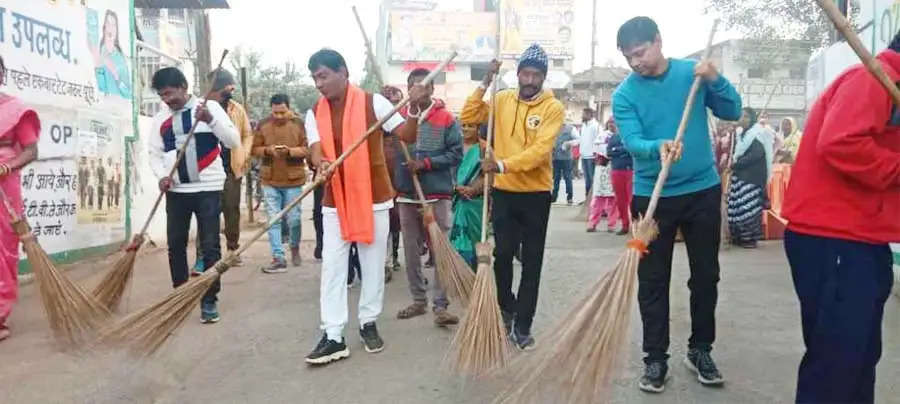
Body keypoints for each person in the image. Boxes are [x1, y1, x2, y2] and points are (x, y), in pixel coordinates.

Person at [612, 16, 741, 393]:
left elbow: (732, 111)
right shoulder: (624, 95)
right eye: (628, 57)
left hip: (701, 190)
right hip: (652, 197)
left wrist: (715, 78)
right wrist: (658, 147)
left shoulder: (692, 74)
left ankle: (700, 349)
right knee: (652, 281)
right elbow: (633, 141)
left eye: (640, 52)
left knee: (706, 275)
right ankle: (655, 359)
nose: (636, 62)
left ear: (658, 41)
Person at [781, 33, 900, 404]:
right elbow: (840, 141)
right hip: (834, 239)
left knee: (860, 357)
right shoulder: (874, 77)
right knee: (836, 364)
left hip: (862, 239)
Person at [303, 49, 412, 365]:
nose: (318, 84)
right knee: (333, 267)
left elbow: (405, 133)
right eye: (314, 78)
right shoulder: (314, 111)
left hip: (374, 197)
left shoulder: (373, 103)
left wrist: (415, 106)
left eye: (323, 76)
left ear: (343, 72)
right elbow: (314, 149)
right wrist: (321, 163)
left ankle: (368, 322)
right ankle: (333, 334)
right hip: (335, 199)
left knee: (372, 264)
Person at [460, 43, 564, 351]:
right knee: (502, 255)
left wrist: (501, 164)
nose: (530, 80)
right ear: (517, 74)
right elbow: (468, 115)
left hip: (535, 195)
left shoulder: (552, 108)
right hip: (504, 193)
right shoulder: (501, 98)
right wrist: (485, 82)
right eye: (526, 73)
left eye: (536, 75)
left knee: (531, 261)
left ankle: (523, 324)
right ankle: (507, 307)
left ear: (543, 77)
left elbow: (540, 151)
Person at [148, 67, 240, 324]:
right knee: (175, 244)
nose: (167, 99)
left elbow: (233, 141)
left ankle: (209, 300)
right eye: (162, 95)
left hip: (208, 188)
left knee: (210, 246)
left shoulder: (209, 107)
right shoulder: (160, 120)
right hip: (176, 190)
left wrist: (210, 119)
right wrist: (161, 176)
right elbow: (153, 153)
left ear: (183, 86)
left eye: (170, 93)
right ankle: (180, 296)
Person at [393, 68, 463, 326]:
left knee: (440, 248)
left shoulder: (446, 119)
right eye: (413, 85)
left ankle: (441, 305)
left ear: (432, 89)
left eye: (423, 86)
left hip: (436, 193)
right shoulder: (399, 117)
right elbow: (392, 148)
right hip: (407, 194)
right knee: (410, 249)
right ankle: (418, 300)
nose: (418, 90)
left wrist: (425, 164)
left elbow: (456, 154)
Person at [0, 55, 40, 342]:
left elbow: (30, 151)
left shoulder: (15, 109)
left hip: (5, 184)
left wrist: (6, 166)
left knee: (3, 246)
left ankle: (0, 313)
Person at [252, 94, 308, 272]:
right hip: (270, 179)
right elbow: (254, 149)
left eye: (282, 112)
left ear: (289, 109)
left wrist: (290, 151)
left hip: (293, 180)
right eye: (275, 113)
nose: (279, 116)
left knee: (294, 220)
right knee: (273, 220)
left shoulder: (299, 124)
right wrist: (268, 150)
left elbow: (308, 149)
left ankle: (294, 247)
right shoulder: (263, 124)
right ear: (271, 110)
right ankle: (278, 257)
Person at [205, 69, 253, 268]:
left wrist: (243, 154)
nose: (231, 90)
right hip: (207, 171)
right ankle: (205, 254)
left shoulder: (237, 109)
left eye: (232, 86)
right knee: (207, 213)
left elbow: (247, 134)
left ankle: (233, 250)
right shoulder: (202, 108)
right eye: (228, 87)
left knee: (231, 210)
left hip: (232, 169)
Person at [727, 107, 773, 249]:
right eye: (741, 116)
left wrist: (736, 164)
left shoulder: (758, 133)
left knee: (749, 208)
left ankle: (749, 238)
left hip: (751, 178)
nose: (742, 119)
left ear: (752, 118)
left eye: (746, 116)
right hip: (740, 176)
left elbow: (756, 155)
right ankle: (738, 236)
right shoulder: (741, 134)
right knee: (737, 208)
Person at [450, 123, 486, 269]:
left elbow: (488, 177)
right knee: (454, 239)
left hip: (475, 202)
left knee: (475, 241)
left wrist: (473, 190)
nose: (465, 129)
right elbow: (447, 170)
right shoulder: (454, 148)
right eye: (463, 125)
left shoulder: (484, 149)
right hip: (454, 200)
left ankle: (476, 277)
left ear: (478, 128)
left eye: (470, 126)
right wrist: (454, 187)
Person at [88, 9, 132, 99]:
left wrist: (115, 75)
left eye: (114, 25)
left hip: (120, 106)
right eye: (108, 23)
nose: (111, 28)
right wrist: (98, 65)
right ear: (104, 28)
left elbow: (128, 95)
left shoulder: (121, 59)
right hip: (104, 105)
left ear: (117, 30)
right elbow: (101, 89)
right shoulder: (99, 53)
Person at [587, 123, 619, 232]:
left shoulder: (621, 136)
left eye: (614, 122)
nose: (612, 125)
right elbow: (600, 150)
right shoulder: (601, 135)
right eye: (610, 123)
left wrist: (614, 152)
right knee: (597, 198)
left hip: (615, 168)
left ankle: (611, 224)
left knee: (613, 199)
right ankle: (592, 223)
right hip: (602, 169)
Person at [607, 117, 633, 235]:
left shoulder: (630, 135)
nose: (612, 125)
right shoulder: (613, 137)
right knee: (620, 200)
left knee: (632, 200)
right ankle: (624, 225)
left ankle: (634, 226)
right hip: (616, 170)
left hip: (630, 170)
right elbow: (608, 152)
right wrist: (621, 150)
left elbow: (630, 149)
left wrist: (616, 150)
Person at [551, 123, 576, 204]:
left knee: (568, 177)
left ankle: (570, 197)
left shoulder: (571, 128)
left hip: (567, 158)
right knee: (556, 178)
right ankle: (554, 197)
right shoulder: (553, 127)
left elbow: (578, 140)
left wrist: (569, 143)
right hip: (555, 157)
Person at [578, 108, 600, 199]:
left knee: (592, 179)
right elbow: (581, 140)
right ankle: (587, 198)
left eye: (584, 114)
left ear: (590, 115)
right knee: (587, 180)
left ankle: (593, 200)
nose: (582, 116)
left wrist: (596, 153)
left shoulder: (596, 126)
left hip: (592, 156)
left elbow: (598, 140)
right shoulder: (583, 126)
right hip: (584, 155)